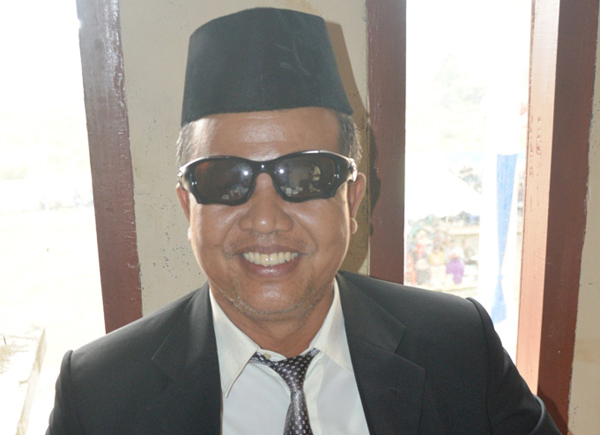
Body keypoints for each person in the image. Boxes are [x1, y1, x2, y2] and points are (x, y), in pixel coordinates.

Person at [46, 7, 560, 435]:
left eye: (306, 176)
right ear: (188, 207)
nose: (265, 220)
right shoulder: (99, 396)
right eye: (225, 180)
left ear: (352, 201)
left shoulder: (458, 347)